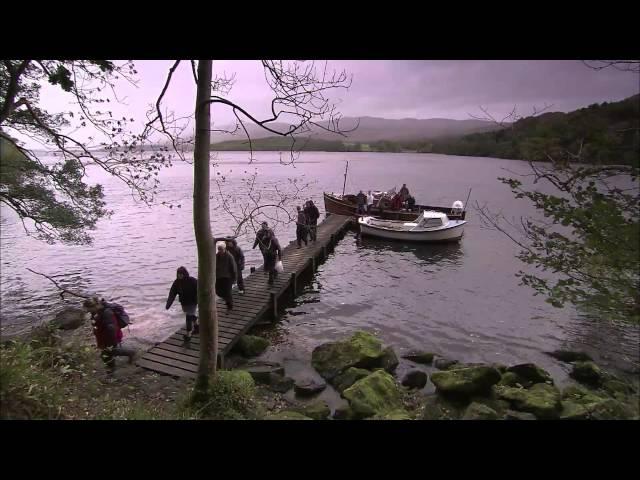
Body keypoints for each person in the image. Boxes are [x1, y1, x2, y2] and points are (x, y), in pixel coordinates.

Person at [83, 297, 136, 374]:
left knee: (108, 353)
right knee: (108, 352)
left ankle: (128, 354)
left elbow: (111, 328)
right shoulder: (96, 312)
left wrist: (113, 342)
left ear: (94, 306)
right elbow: (98, 323)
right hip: (103, 336)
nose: (87, 311)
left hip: (111, 337)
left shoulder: (107, 313)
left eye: (88, 309)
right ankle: (112, 368)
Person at [166, 266, 199, 340]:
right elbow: (172, 294)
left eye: (181, 274)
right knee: (191, 315)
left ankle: (188, 335)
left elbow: (200, 289)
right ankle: (197, 326)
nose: (180, 275)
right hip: (184, 303)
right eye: (178, 274)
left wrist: (200, 300)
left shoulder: (192, 280)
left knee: (188, 317)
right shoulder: (177, 282)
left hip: (193, 302)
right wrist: (168, 304)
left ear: (185, 273)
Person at [216, 241, 237, 310]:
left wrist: (234, 278)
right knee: (218, 291)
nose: (220, 251)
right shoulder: (216, 256)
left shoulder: (229, 256)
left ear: (224, 249)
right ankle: (227, 299)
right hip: (218, 276)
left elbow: (233, 267)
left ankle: (229, 305)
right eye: (219, 249)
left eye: (221, 249)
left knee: (228, 291)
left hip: (227, 277)